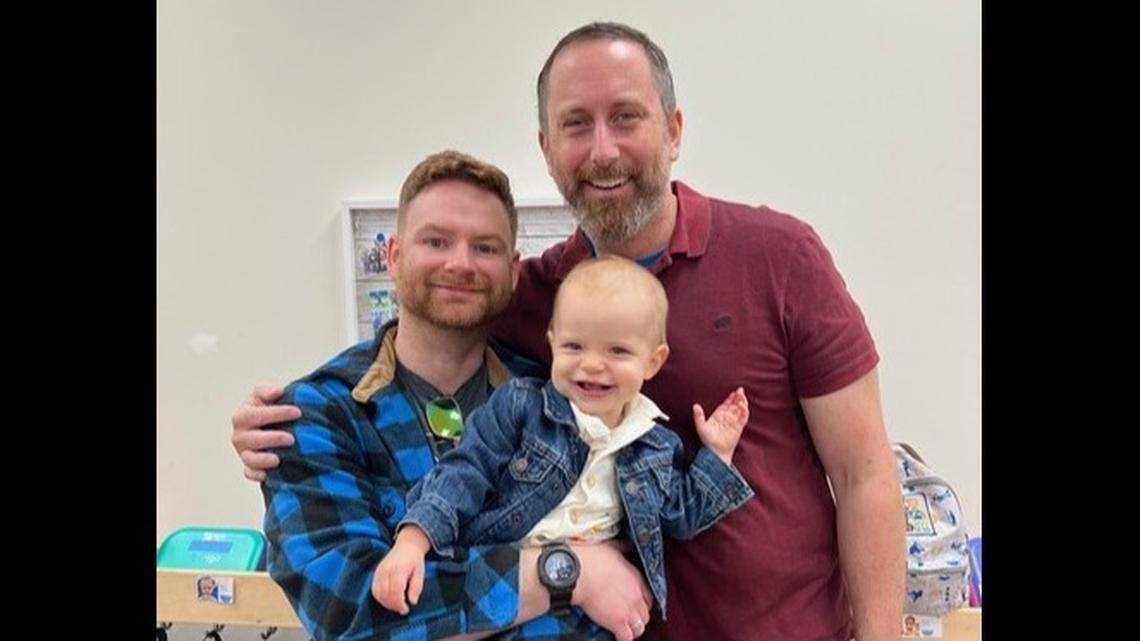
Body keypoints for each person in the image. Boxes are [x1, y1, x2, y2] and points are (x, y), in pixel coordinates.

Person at [234, 22, 905, 641]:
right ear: (548, 148)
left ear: (673, 130)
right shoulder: (534, 309)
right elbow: (434, 318)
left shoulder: (777, 256)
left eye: (627, 117)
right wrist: (282, 415)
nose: (603, 148)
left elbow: (864, 473)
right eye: (576, 123)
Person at [255, 150, 656, 641]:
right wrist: (567, 572)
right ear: (395, 256)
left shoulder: (561, 403)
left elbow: (629, 561)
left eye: (485, 248)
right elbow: (351, 615)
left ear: (512, 272)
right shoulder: (315, 414)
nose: (460, 263)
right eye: (437, 241)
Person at [374, 256, 753, 640]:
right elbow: (465, 471)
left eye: (617, 351)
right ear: (553, 345)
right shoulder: (522, 407)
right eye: (574, 346)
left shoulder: (654, 444)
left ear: (653, 361)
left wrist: (717, 455)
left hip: (587, 621)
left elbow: (680, 517)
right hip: (501, 591)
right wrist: (414, 539)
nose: (591, 365)